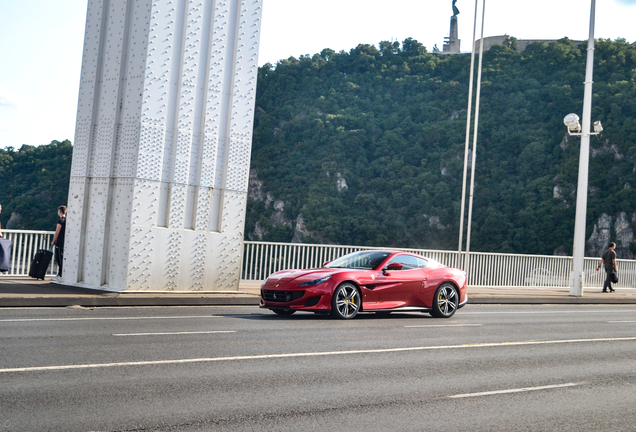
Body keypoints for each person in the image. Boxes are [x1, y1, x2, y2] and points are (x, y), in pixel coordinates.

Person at [51, 205, 67, 281]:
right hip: (65, 241)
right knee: (63, 258)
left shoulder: (60, 220)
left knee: (59, 258)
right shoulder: (67, 220)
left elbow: (57, 232)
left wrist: (54, 240)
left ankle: (60, 274)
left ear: (60, 211)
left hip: (60, 241)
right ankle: (62, 274)